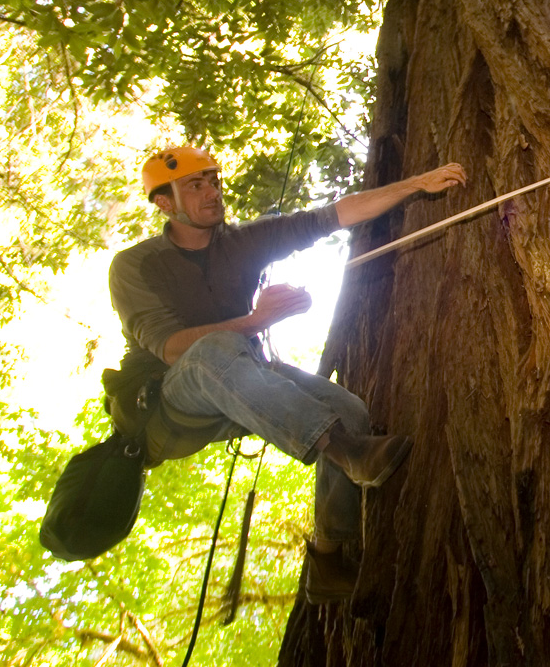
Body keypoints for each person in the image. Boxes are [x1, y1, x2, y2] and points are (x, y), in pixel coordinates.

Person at [108, 145, 466, 603]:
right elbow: (171, 348)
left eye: (214, 181)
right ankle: (345, 450)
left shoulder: (239, 242)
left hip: (240, 381)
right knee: (211, 351)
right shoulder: (135, 265)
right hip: (167, 406)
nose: (212, 192)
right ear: (164, 202)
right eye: (196, 185)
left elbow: (330, 217)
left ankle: (328, 559)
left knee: (347, 409)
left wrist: (417, 183)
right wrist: (258, 320)